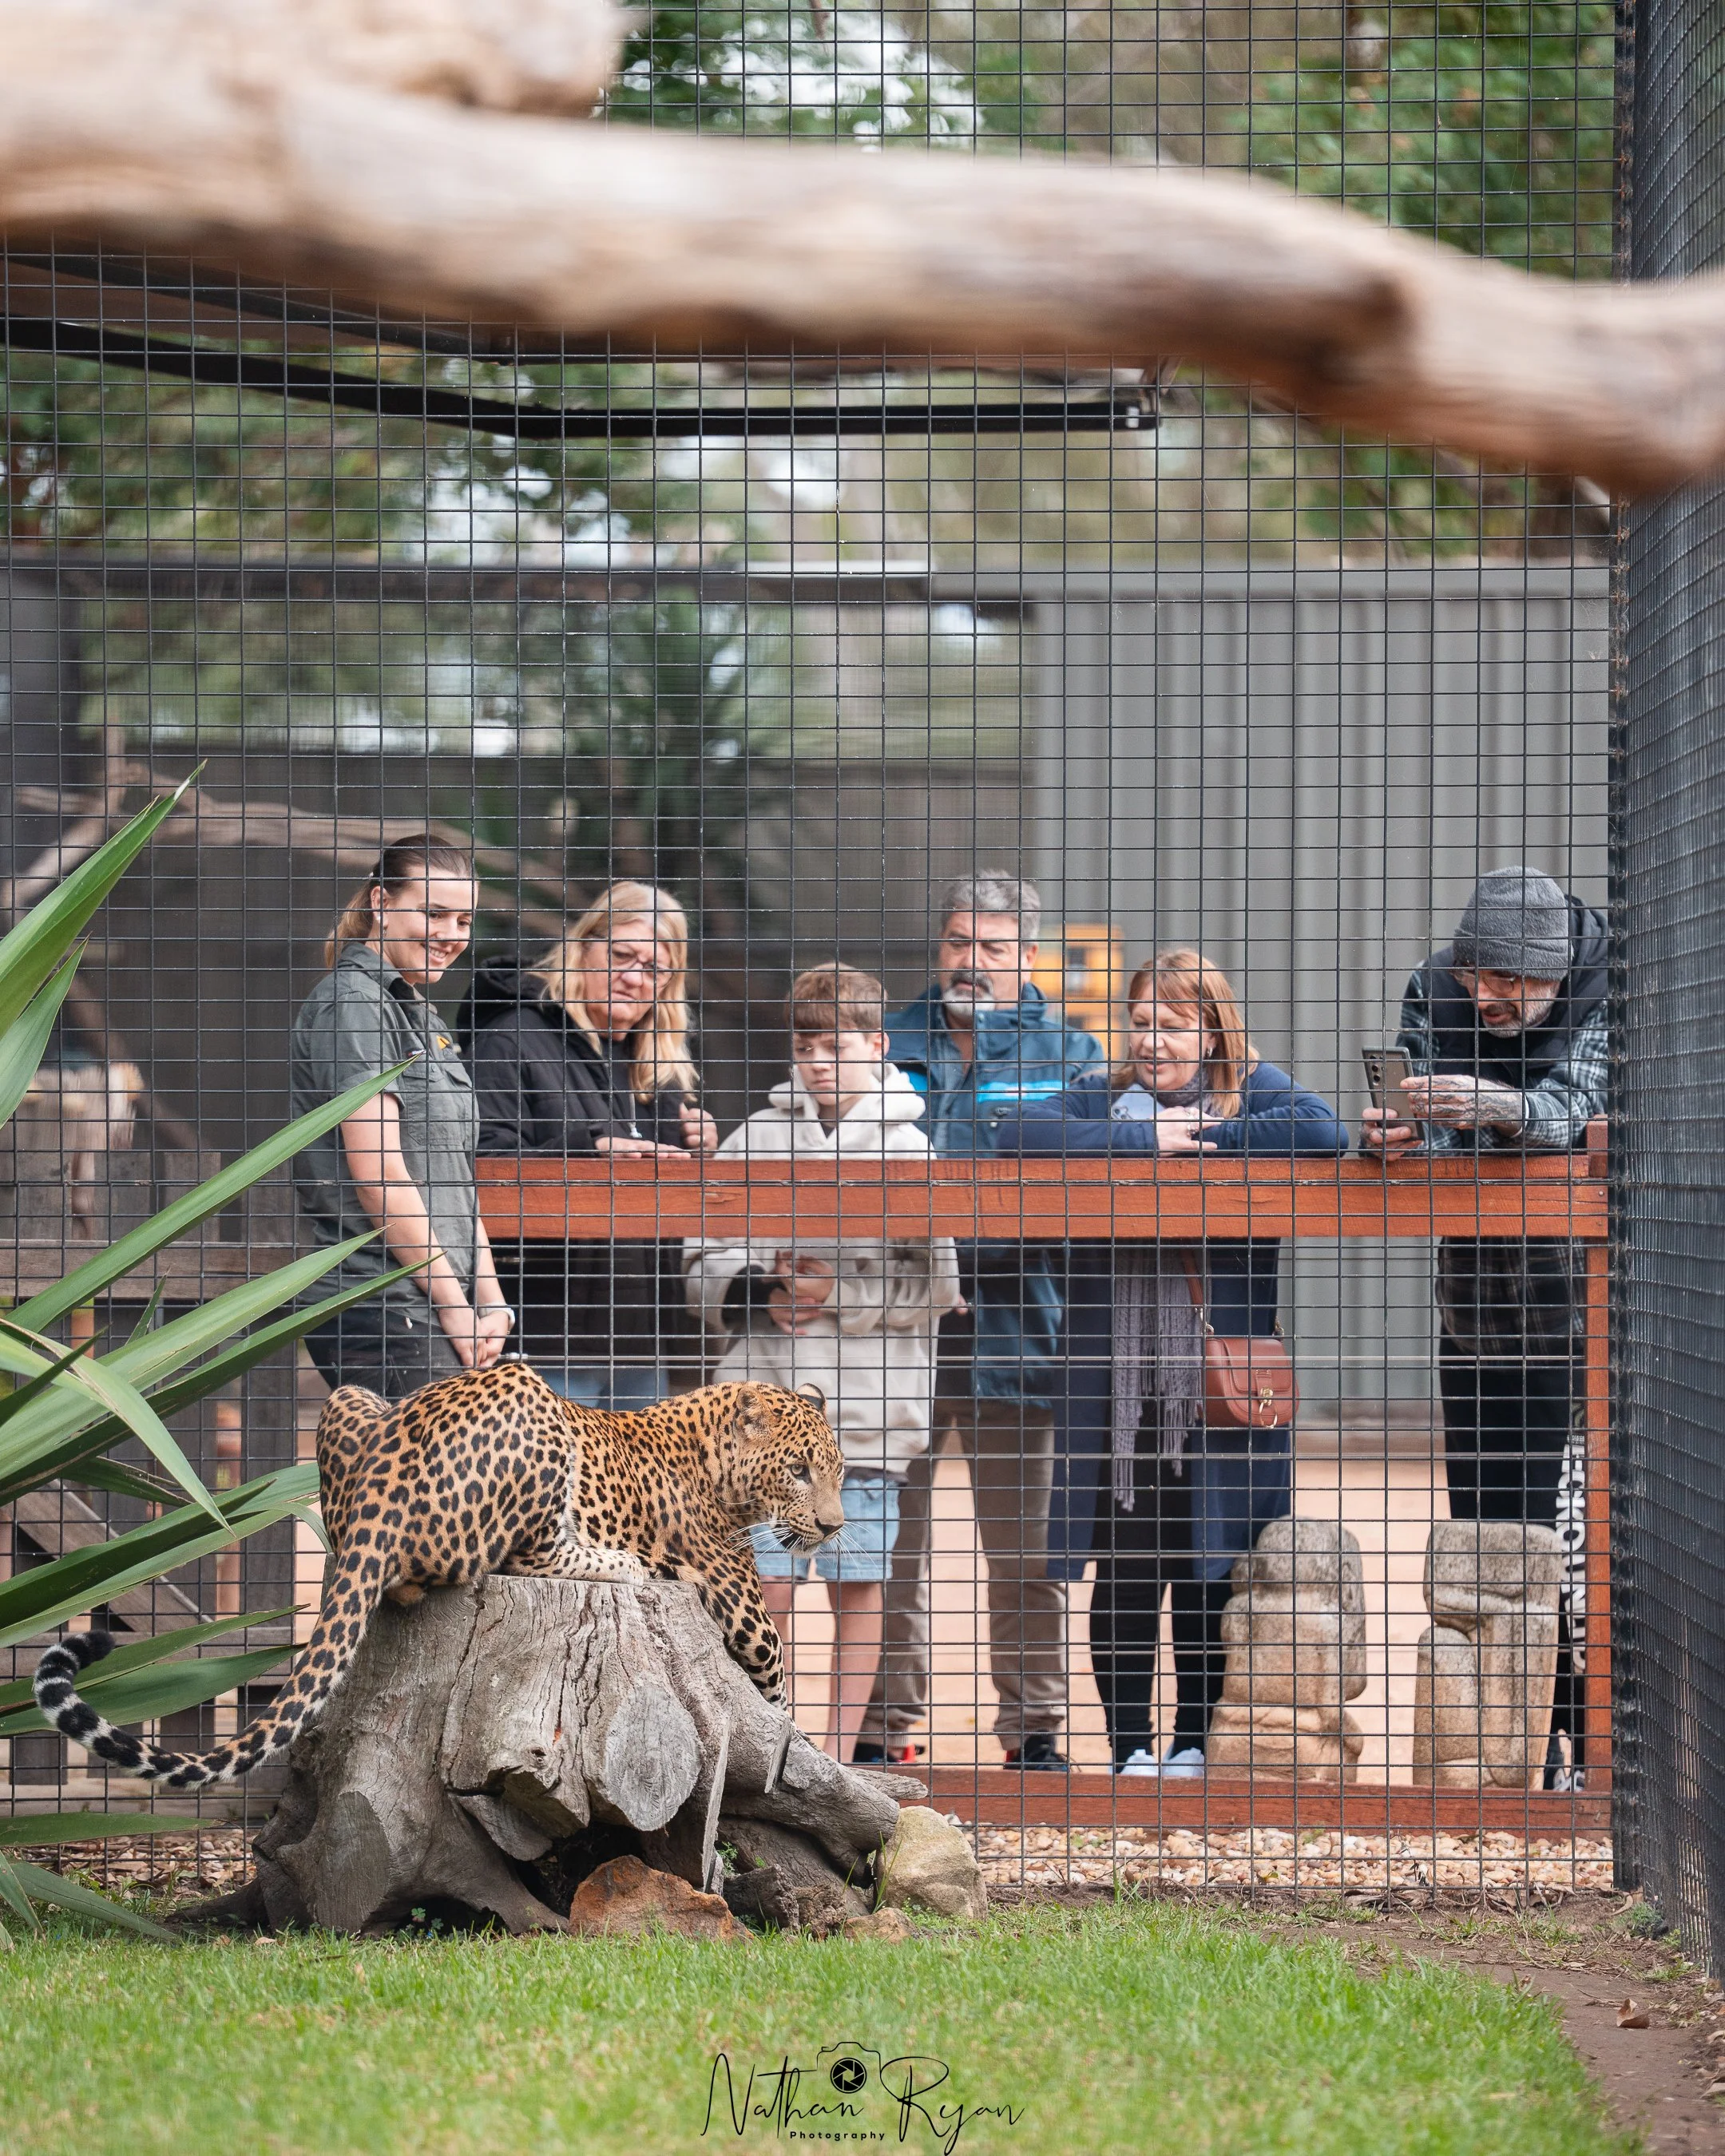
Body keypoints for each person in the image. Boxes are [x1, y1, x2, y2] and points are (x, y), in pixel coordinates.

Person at [999, 948, 1347, 1777]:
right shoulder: (1101, 1098)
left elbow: (1326, 1131)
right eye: (1144, 1022)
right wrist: (1140, 1134)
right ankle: (1131, 1748)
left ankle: (1193, 1740)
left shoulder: (1254, 1092)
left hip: (1218, 1384)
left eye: (1175, 1025)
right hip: (1114, 1383)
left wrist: (1210, 1135)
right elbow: (1016, 1132)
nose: (1154, 1042)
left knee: (1208, 1565)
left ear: (1213, 1029)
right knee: (1124, 1573)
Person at [1362, 865, 1608, 1791]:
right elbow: (1415, 1110)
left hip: (1585, 1319)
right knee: (1482, 1535)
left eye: (1507, 984)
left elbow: (1577, 1111)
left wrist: (1495, 1107)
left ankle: (1592, 1754)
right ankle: (1513, 1755)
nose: (1486, 997)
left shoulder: (1611, 984)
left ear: (1550, 971)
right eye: (1477, 978)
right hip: (1473, 1306)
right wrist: (1394, 1135)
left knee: (1577, 1546)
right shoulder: (1435, 984)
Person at [855, 872, 1104, 1772]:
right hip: (895, 1333)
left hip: (1020, 1332)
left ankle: (1033, 1732)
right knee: (891, 1543)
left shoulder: (1071, 1053)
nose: (972, 963)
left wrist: (969, 1238)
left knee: (1027, 1553)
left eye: (994, 949)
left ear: (1030, 957)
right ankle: (884, 1731)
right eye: (960, 943)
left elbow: (1078, 1198)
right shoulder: (888, 1041)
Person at [685, 965, 959, 1764]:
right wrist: (755, 1294)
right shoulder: (756, 1136)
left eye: (836, 1045)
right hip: (761, 1411)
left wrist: (842, 1290)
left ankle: (836, 1755)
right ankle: (766, 1739)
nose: (818, 1062)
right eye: (806, 1044)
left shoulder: (910, 1145)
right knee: (766, 1582)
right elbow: (701, 1253)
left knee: (857, 1582)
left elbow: (937, 1285)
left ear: (876, 1045)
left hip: (870, 1413)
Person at [463, 881, 717, 1409]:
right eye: (622, 955)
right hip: (545, 1336)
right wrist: (588, 1150)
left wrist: (699, 1147)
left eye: (654, 969)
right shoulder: (511, 1037)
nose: (633, 977)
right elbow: (479, 1169)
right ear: (583, 946)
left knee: (634, 1493)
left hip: (641, 1338)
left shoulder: (659, 1068)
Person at [291, 834, 513, 1401]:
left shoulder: (421, 1014)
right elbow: (380, 1177)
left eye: (464, 920)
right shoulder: (354, 1004)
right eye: (434, 913)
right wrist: (455, 1305)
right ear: (381, 902)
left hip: (440, 1306)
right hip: (386, 1308)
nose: (452, 936)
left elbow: (456, 1180)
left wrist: (491, 1303)